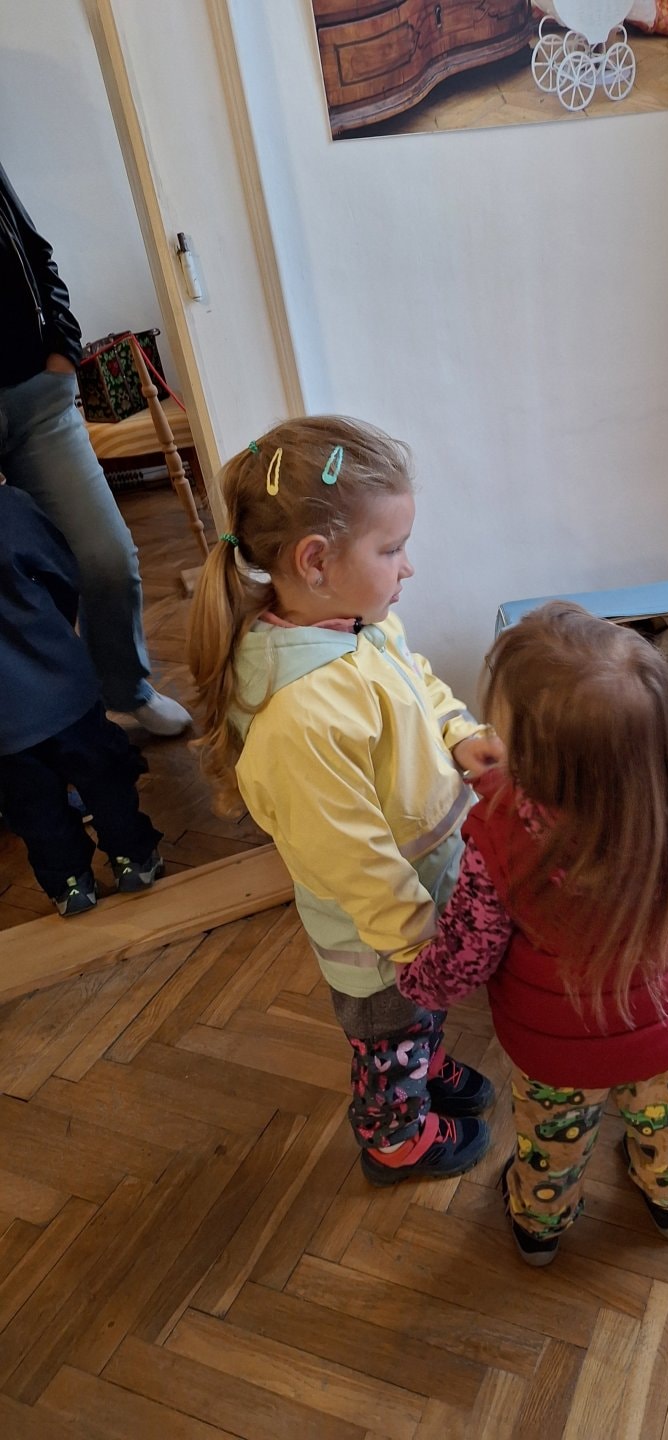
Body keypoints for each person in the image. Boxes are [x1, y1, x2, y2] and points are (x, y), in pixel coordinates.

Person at [186, 415, 504, 1184]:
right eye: (392, 549)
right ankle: (396, 1139)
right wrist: (423, 949)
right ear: (316, 561)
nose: (408, 567)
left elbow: (417, 683)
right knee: (388, 1039)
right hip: (380, 942)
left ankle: (425, 1060)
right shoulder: (300, 718)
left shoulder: (362, 627)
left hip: (420, 903)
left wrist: (459, 734)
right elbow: (355, 860)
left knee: (418, 1023)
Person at [396, 602, 668, 1266]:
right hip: (666, 1028)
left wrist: (416, 980)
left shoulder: (500, 831)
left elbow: (466, 957)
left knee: (551, 1142)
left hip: (557, 1051)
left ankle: (540, 1226)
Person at [0, 160, 190, 735]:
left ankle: (125, 691)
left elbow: (35, 254)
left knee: (108, 560)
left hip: (38, 401)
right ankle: (41, 737)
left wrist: (63, 348)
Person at [0, 483, 164, 915]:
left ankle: (69, 885)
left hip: (6, 730)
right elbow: (60, 572)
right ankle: (134, 858)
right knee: (105, 777)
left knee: (34, 807)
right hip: (62, 688)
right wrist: (50, 627)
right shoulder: (10, 507)